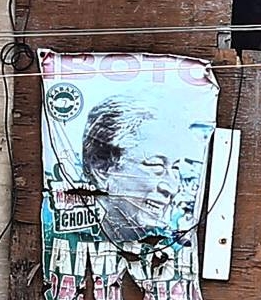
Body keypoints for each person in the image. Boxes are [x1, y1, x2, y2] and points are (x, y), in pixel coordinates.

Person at [81, 96, 201, 244]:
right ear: (102, 168)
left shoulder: (177, 245)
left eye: (176, 168)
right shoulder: (69, 235)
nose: (172, 188)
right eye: (155, 165)